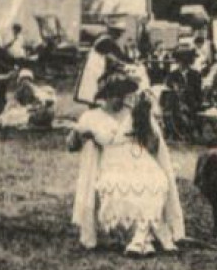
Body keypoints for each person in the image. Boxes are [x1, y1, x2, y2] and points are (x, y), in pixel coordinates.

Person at [68, 72, 184, 256]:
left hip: (138, 159)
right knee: (120, 185)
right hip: (111, 162)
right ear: (104, 96)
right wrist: (81, 134)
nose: (119, 99)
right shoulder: (91, 116)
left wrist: (145, 121)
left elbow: (154, 146)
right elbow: (71, 146)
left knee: (157, 181)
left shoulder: (135, 113)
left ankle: (141, 237)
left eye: (123, 94)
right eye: (115, 94)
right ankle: (141, 238)